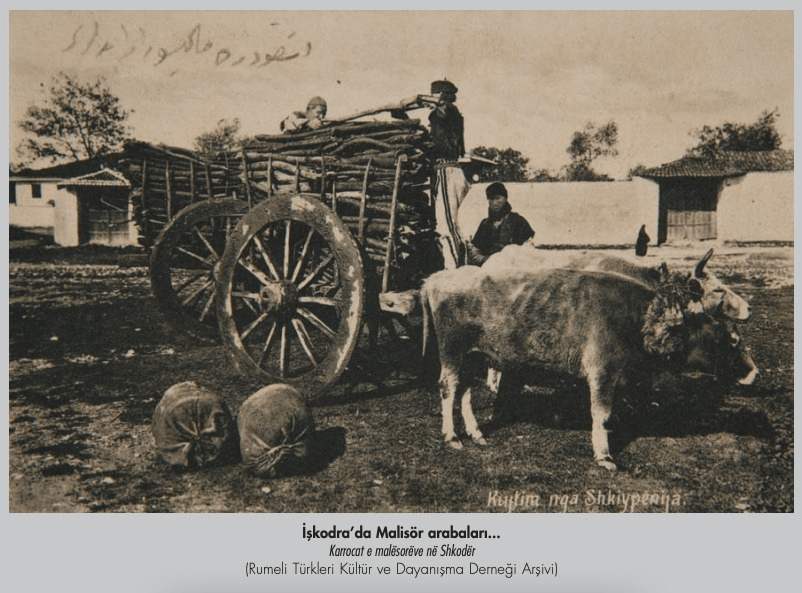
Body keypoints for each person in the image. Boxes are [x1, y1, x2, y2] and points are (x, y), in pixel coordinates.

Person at [426, 79, 469, 269]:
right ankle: (462, 266)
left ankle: (454, 271)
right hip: (453, 170)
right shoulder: (455, 114)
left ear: (441, 95)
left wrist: (434, 104)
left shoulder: (445, 111)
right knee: (453, 225)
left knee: (446, 225)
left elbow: (441, 114)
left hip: (446, 170)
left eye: (434, 94)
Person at [467, 182, 534, 265]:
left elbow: (528, 248)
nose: (494, 202)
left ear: (505, 198)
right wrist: (485, 259)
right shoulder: (485, 224)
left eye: (498, 198)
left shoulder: (517, 220)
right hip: (489, 269)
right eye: (491, 199)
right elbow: (475, 251)